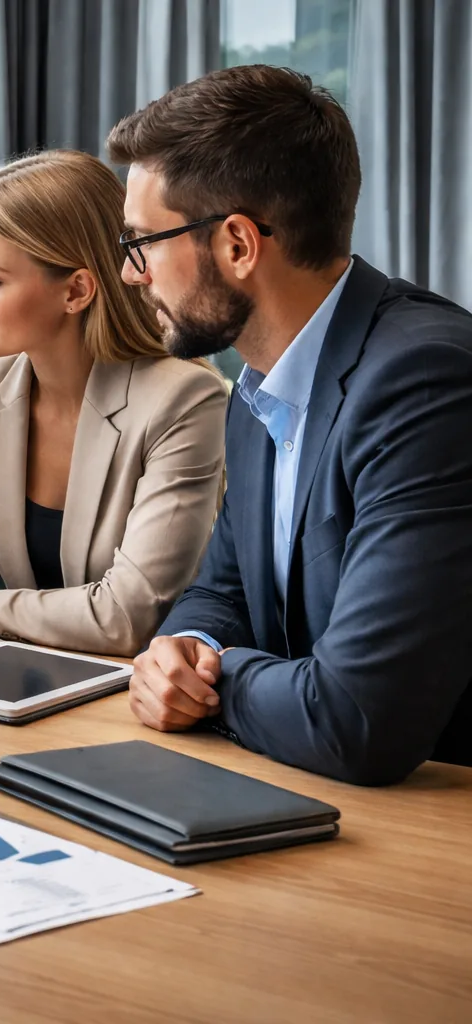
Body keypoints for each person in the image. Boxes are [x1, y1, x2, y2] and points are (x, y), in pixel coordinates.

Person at [114, 65, 472, 785]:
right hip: (298, 782)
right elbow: (225, 591)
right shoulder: (259, 382)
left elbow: (358, 719)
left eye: (141, 243)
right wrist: (180, 649)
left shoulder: (426, 382)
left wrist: (212, 684)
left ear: (238, 245)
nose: (132, 275)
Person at [0, 150, 227, 656]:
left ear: (76, 291)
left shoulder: (184, 400)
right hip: (24, 676)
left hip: (140, 695)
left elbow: (127, 617)